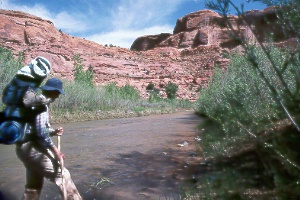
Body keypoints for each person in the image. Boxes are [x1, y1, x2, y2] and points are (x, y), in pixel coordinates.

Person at [15, 78, 82, 200]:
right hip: (32, 148)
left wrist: (53, 131)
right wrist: (57, 152)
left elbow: (38, 130)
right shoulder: (41, 105)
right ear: (52, 91)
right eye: (58, 93)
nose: (58, 96)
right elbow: (41, 133)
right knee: (63, 175)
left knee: (33, 186)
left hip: (23, 149)